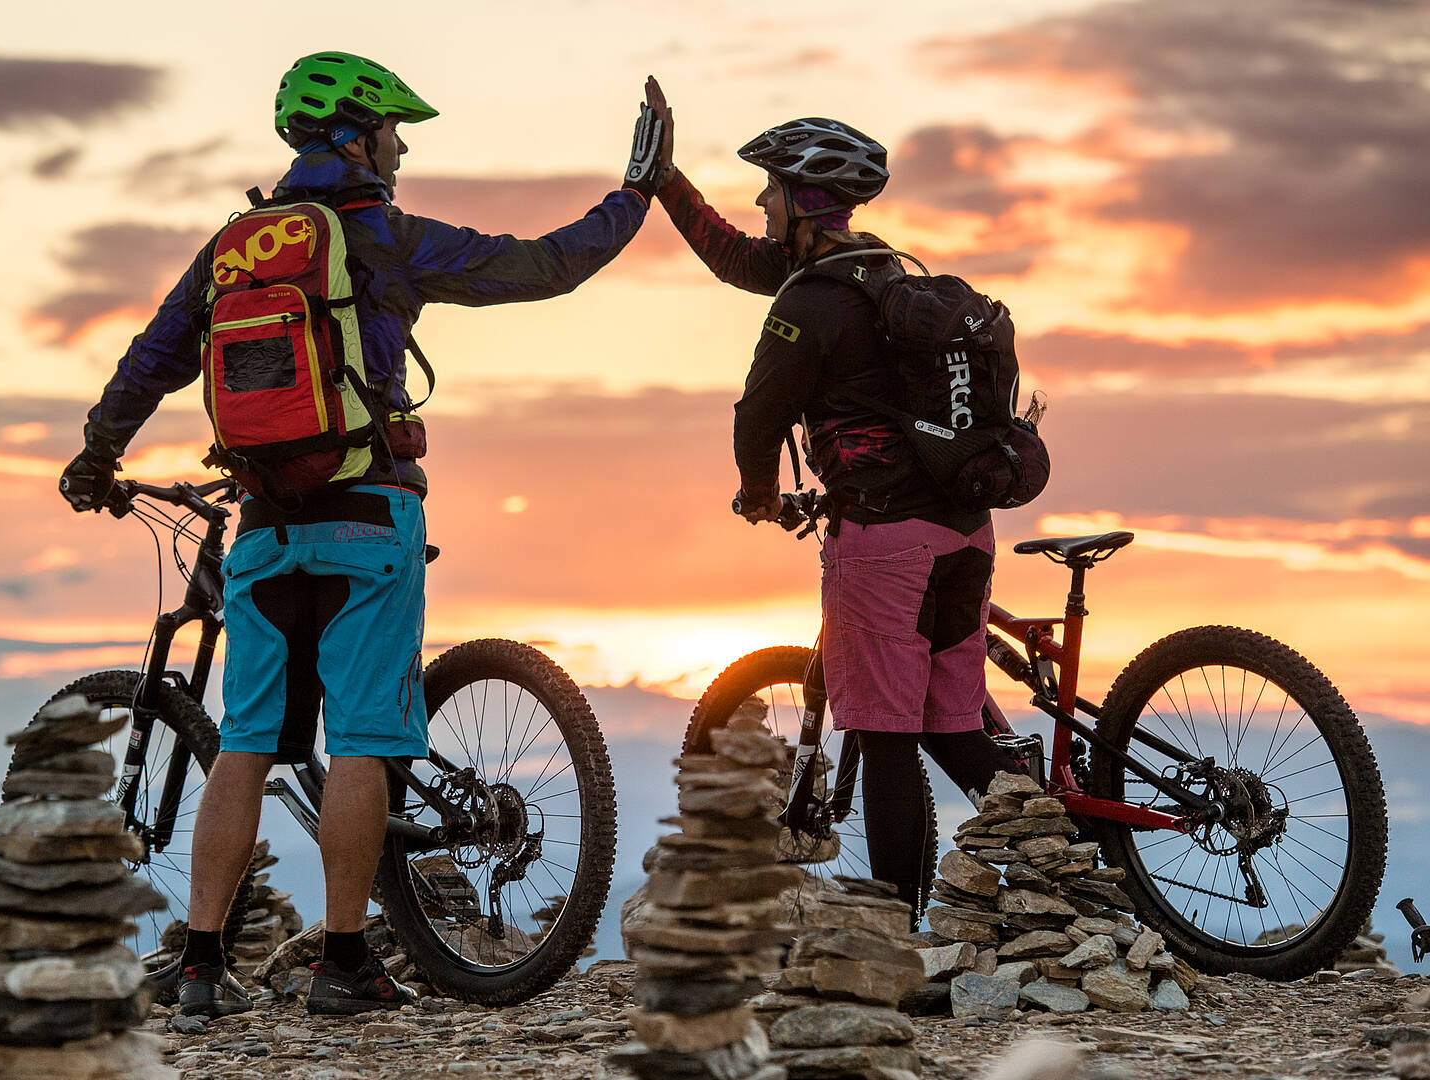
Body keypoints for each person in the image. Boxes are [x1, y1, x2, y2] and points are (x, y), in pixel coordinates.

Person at [59, 54, 667, 1017]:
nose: (403, 144)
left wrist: (97, 453)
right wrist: (635, 196)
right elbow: (545, 265)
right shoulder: (382, 237)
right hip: (369, 516)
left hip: (262, 529)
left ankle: (202, 968)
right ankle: (342, 962)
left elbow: (153, 358)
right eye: (393, 129)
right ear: (355, 133)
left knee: (248, 744)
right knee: (363, 740)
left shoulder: (233, 247)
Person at [645, 80, 1015, 922]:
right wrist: (668, 182)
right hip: (965, 534)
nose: (760, 200)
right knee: (952, 730)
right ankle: (1064, 853)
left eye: (771, 188)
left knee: (884, 740)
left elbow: (758, 416)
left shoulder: (810, 305)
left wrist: (757, 495)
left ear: (805, 201)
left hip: (883, 542)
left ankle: (893, 929)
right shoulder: (887, 278)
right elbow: (739, 258)